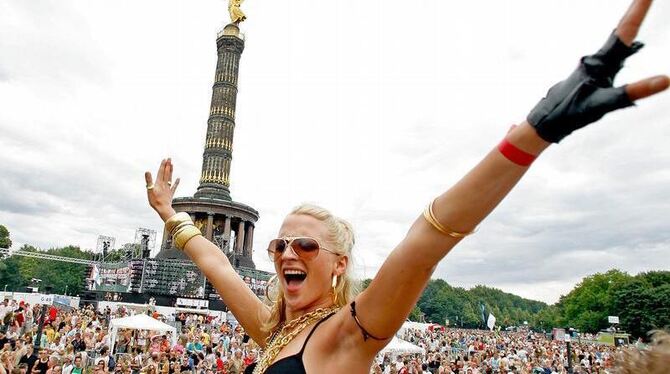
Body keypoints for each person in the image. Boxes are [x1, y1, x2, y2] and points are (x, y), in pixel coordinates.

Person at [145, 1, 669, 373]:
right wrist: (172, 217)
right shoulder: (275, 330)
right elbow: (215, 263)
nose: (287, 253)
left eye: (305, 244)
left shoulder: (349, 333)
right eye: (280, 243)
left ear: (338, 264)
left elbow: (429, 239)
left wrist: (534, 132)